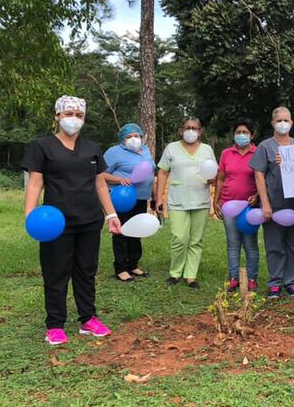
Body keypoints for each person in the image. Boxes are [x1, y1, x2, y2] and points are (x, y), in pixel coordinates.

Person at [22, 95, 122, 345]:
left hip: (89, 220)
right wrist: (30, 216)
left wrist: (111, 214)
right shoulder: (42, 146)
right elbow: (35, 183)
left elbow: (100, 184)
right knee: (56, 273)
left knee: (86, 271)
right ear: (57, 116)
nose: (73, 119)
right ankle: (55, 324)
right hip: (55, 223)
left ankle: (88, 319)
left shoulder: (91, 148)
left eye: (79, 115)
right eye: (68, 114)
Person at [249, 107, 294, 299]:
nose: (283, 123)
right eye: (279, 120)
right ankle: (275, 282)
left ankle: (292, 282)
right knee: (274, 244)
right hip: (274, 205)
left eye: (286, 120)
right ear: (273, 123)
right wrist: (265, 203)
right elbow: (258, 174)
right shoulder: (265, 146)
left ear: (292, 123)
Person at [155, 116, 216, 289]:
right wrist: (159, 198)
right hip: (177, 200)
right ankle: (175, 273)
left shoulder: (206, 150)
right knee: (179, 237)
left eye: (194, 128)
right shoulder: (171, 148)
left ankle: (191, 275)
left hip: (200, 201)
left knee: (196, 240)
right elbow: (162, 173)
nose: (190, 131)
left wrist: (212, 179)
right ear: (181, 130)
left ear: (200, 131)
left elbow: (213, 173)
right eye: (187, 127)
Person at [101, 123, 156, 282]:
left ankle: (133, 265)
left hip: (141, 197)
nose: (134, 139)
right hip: (123, 198)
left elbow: (149, 172)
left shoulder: (145, 150)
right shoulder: (114, 152)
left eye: (136, 136)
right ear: (122, 139)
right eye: (129, 136)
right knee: (121, 231)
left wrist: (153, 196)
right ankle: (121, 268)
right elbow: (100, 175)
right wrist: (119, 180)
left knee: (136, 231)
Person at [214, 118, 260, 292]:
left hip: (250, 208)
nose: (241, 136)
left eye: (245, 133)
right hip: (228, 205)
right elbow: (220, 177)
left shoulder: (258, 152)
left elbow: (261, 178)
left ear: (251, 135)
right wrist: (216, 199)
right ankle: (233, 278)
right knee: (233, 244)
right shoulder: (226, 153)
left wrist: (257, 196)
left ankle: (252, 278)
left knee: (250, 244)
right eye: (238, 133)